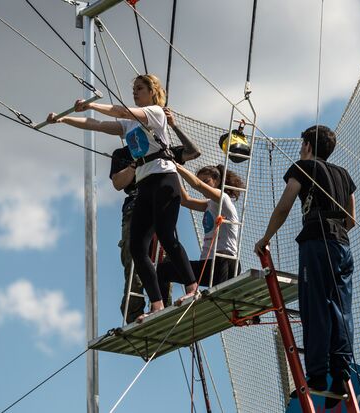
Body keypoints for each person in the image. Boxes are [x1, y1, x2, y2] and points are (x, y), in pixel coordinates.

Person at [47, 74, 196, 323]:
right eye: (134, 89)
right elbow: (96, 126)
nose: (135, 92)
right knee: (137, 247)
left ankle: (192, 290)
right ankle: (157, 304)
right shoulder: (130, 125)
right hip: (145, 184)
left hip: (164, 179)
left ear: (152, 92)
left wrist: (92, 103)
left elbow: (121, 111)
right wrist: (64, 120)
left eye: (140, 88)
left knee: (167, 236)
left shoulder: (156, 113)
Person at [253, 125, 356, 409]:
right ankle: (340, 373)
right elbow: (351, 219)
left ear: (308, 146)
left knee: (315, 305)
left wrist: (266, 238)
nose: (300, 149)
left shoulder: (303, 167)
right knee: (340, 307)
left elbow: (285, 205)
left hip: (317, 243)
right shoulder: (344, 175)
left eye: (302, 144)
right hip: (342, 246)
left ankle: (318, 375)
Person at [109, 107, 200, 323]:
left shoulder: (160, 145)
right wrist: (136, 164)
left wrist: (174, 125)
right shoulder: (122, 154)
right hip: (136, 204)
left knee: (165, 245)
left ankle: (164, 301)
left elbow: (193, 152)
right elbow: (117, 183)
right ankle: (139, 310)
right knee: (135, 254)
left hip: (159, 196)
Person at [157, 164, 243, 305]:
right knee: (163, 270)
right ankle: (162, 307)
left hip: (224, 262)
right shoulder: (209, 204)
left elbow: (197, 185)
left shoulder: (224, 199)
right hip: (208, 264)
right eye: (202, 180)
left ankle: (194, 295)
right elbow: (185, 201)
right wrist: (171, 172)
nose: (203, 184)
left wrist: (176, 165)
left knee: (220, 303)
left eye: (206, 181)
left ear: (217, 180)